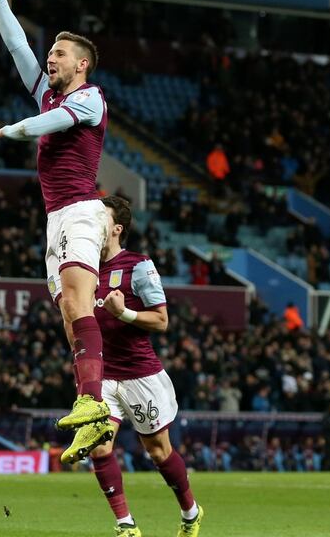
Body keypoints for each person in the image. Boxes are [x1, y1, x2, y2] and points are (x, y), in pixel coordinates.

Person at [0, 0, 113, 459]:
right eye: (51, 54)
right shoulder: (52, 93)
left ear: (82, 65)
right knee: (68, 314)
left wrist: (12, 129)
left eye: (58, 54)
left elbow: (52, 122)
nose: (49, 60)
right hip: (55, 219)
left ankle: (93, 402)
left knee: (79, 302)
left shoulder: (90, 99)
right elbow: (18, 50)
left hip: (81, 210)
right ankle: (92, 409)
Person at [86, 196, 203, 537]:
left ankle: (190, 512)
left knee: (158, 451)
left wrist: (123, 313)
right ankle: (125, 525)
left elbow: (162, 320)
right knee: (100, 445)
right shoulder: (86, 269)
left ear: (116, 229)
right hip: (103, 376)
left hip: (140, 374)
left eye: (100, 218)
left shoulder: (138, 265)